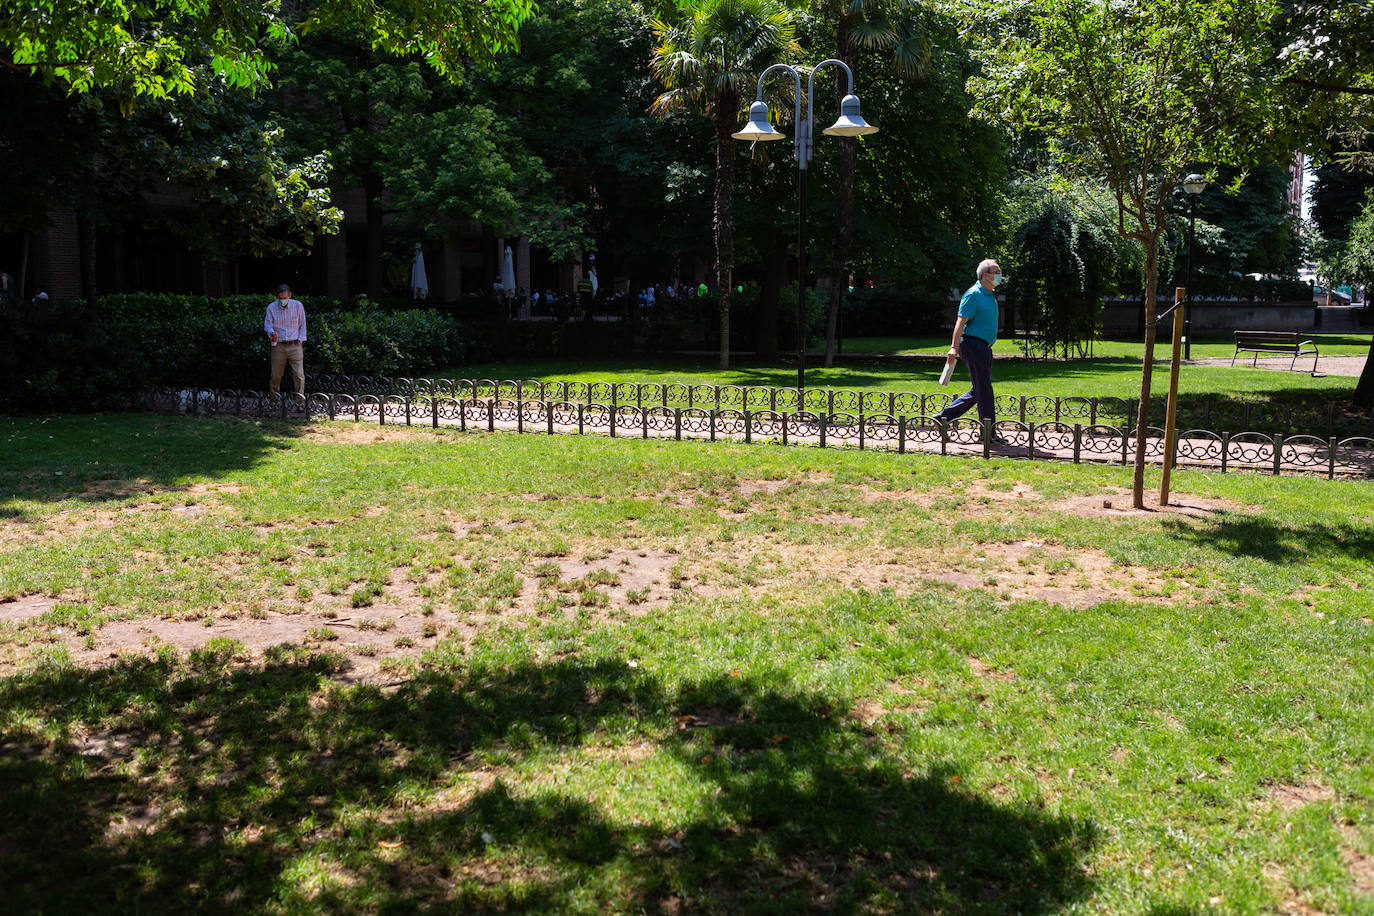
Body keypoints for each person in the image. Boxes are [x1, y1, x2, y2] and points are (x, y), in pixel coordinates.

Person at [936, 259, 1009, 441]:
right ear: (985, 275)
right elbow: (960, 322)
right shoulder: (973, 294)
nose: (1000, 275)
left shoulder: (989, 294)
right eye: (996, 271)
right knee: (984, 390)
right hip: (972, 345)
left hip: (983, 347)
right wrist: (954, 348)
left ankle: (943, 418)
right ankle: (988, 434)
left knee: (978, 390)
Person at [264, 283, 307, 397]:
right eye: (281, 298)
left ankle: (300, 402)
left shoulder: (298, 306)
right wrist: (272, 333)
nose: (283, 300)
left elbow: (302, 324)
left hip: (295, 344)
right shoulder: (271, 308)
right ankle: (274, 401)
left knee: (299, 375)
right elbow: (267, 325)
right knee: (275, 376)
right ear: (277, 297)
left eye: (285, 298)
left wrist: (301, 340)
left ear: (290, 296)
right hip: (278, 345)